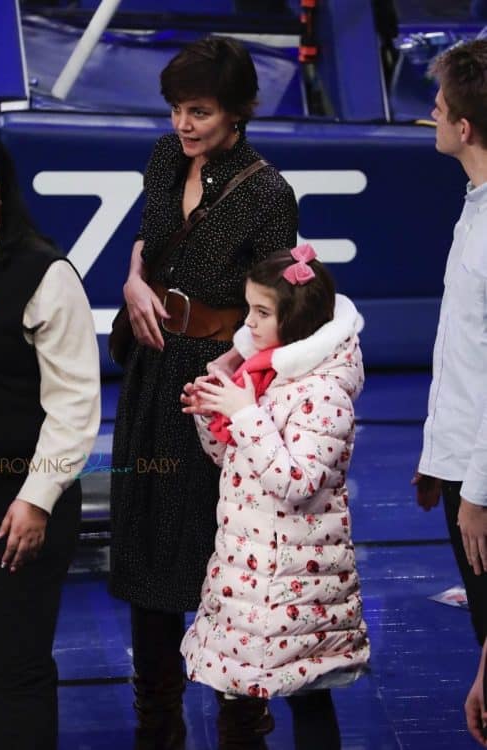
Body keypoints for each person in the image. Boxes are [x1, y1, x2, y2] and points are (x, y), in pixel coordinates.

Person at [108, 35, 298, 749]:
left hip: (217, 393)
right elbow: (150, 242)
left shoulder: (270, 193)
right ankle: (155, 730)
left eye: (199, 111)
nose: (183, 125)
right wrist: (132, 279)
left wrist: (232, 375)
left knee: (224, 563)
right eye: (176, 109)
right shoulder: (163, 159)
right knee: (143, 552)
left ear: (238, 111)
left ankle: (240, 729)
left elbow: (280, 310)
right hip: (151, 380)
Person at [180, 245, 370, 750]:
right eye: (249, 309)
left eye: (262, 312)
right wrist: (212, 414)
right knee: (239, 700)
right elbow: (235, 463)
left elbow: (298, 482)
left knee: (308, 699)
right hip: (247, 572)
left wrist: (244, 414)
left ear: (297, 318)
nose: (250, 323)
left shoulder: (325, 392)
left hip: (298, 586)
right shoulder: (264, 374)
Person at [0, 135, 100, 749]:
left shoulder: (44, 273)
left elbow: (75, 404)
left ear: (3, 192)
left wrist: (37, 499)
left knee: (12, 662)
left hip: (17, 501)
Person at [412, 39, 487, 746]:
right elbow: (465, 355)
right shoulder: (475, 204)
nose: (428, 118)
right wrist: (440, 455)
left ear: (464, 128)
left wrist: (478, 492)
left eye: (436, 109)